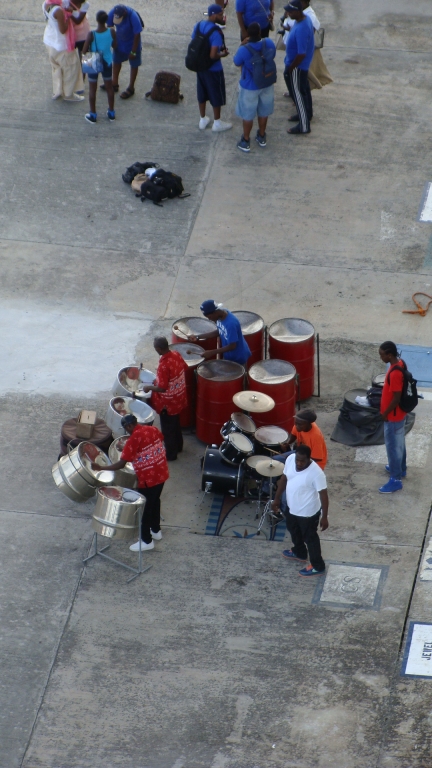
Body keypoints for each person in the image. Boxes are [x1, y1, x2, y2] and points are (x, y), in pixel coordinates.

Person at [92, 414, 169, 551]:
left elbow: (121, 464)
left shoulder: (133, 440)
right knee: (155, 501)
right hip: (161, 472)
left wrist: (101, 467)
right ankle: (156, 530)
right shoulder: (152, 429)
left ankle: (146, 541)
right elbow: (160, 440)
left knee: (144, 509)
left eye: (126, 428)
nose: (126, 431)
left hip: (148, 479)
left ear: (129, 426)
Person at [272, 444, 329, 576]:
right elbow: (284, 478)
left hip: (308, 513)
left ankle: (318, 565)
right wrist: (277, 499)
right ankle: (299, 552)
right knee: (293, 530)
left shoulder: (317, 474)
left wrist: (324, 516)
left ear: (309, 459)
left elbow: (324, 495)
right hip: (292, 507)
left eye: (302, 461)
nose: (298, 463)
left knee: (310, 538)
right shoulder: (291, 459)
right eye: (298, 459)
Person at [259, 408, 327, 498]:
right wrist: (288, 443)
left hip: (313, 462)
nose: (296, 426)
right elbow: (294, 434)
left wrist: (295, 460)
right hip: (300, 453)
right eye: (296, 423)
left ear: (308, 424)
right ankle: (267, 489)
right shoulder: (299, 424)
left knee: (291, 477)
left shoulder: (315, 436)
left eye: (299, 425)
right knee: (274, 461)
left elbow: (317, 458)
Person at [142, 337, 188, 462]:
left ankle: (171, 455)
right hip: (179, 396)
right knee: (176, 424)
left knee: (168, 430)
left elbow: (162, 388)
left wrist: (149, 387)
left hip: (168, 403)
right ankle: (179, 447)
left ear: (159, 349)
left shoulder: (163, 365)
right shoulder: (176, 354)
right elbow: (185, 367)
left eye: (155, 348)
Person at [233, 22, 276, 152]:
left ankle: (246, 140)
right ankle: (262, 136)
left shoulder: (244, 49)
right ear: (259, 32)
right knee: (263, 112)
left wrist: (242, 44)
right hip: (267, 83)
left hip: (250, 87)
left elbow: (236, 62)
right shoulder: (268, 43)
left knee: (248, 114)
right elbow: (272, 56)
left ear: (248, 34)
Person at [192, 5, 233, 132]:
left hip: (200, 66)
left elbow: (194, 43)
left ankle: (203, 119)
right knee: (216, 95)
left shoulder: (198, 26)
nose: (223, 17)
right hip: (213, 69)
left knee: (202, 92)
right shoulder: (216, 33)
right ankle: (217, 122)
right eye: (221, 15)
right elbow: (213, 55)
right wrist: (223, 54)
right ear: (214, 15)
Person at [281, 0, 332, 97]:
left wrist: (292, 66)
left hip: (300, 53)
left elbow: (306, 38)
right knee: (293, 77)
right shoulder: (299, 14)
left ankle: (299, 97)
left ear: (304, 3)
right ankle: (295, 94)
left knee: (302, 77)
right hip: (294, 50)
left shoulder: (309, 16)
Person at [378, 341, 408, 494]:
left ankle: (396, 479)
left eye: (382, 355)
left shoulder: (395, 373)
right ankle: (401, 468)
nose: (381, 357)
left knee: (393, 448)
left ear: (389, 355)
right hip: (399, 415)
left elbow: (396, 398)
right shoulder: (400, 363)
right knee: (399, 443)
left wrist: (384, 413)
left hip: (393, 417)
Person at [42, 0, 85, 101]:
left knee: (56, 68)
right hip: (61, 45)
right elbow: (63, 30)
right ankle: (68, 94)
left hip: (49, 40)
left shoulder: (46, 3)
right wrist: (69, 15)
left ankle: (57, 91)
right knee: (70, 68)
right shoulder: (58, 11)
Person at [283, 0, 314, 135]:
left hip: (297, 66)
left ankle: (304, 126)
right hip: (299, 65)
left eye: (290, 11)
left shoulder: (302, 27)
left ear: (297, 11)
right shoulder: (302, 21)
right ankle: (307, 114)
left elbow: (301, 53)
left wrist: (291, 68)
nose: (288, 13)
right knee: (304, 90)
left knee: (298, 95)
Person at [190, 300, 251, 366]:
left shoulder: (231, 324)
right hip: (229, 355)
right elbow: (219, 331)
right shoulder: (221, 315)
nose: (209, 320)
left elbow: (232, 346)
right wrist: (198, 337)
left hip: (238, 357)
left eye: (209, 317)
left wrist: (212, 352)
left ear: (215, 312)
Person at [82, 11, 117, 123]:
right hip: (107, 61)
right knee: (109, 88)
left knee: (92, 89)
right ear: (106, 20)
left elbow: (84, 51)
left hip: (94, 61)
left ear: (97, 20)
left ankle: (93, 114)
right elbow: (115, 45)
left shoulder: (91, 34)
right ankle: (111, 113)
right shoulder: (111, 31)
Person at [106, 4, 143, 99]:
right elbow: (109, 26)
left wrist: (133, 51)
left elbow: (137, 34)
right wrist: (113, 41)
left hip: (132, 43)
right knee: (116, 61)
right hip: (120, 41)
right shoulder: (113, 12)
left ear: (125, 13)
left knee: (134, 65)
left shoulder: (133, 16)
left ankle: (131, 87)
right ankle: (114, 83)